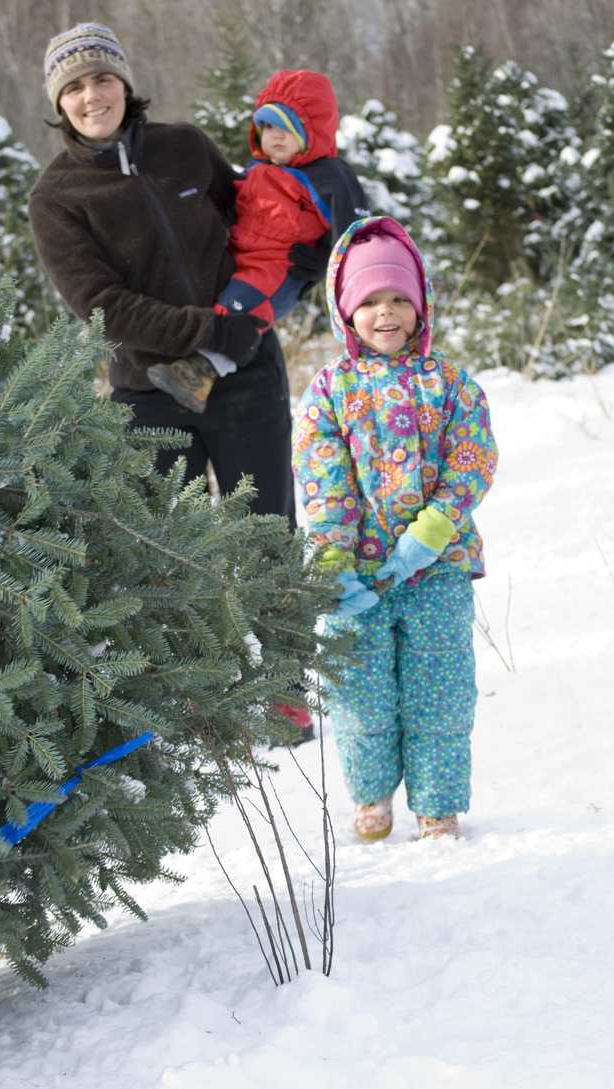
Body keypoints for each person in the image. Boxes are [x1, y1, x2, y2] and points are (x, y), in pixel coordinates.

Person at [29, 21, 312, 528]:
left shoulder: (183, 146)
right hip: (148, 393)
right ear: (58, 103)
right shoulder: (56, 197)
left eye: (102, 79)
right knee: (169, 562)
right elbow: (102, 307)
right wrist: (209, 330)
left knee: (268, 539)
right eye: (73, 87)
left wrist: (304, 254)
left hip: (245, 371)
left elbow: (253, 223)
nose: (91, 96)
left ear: (124, 83)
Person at [292, 215, 498, 840]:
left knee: (441, 691)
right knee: (360, 693)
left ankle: (438, 804)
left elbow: (472, 459)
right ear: (345, 311)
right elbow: (323, 478)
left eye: (398, 299)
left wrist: (429, 533)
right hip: (358, 576)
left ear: (420, 305)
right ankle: (372, 795)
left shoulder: (453, 384)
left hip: (438, 570)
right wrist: (332, 559)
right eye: (370, 301)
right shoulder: (330, 389)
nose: (386, 313)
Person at [148, 69, 368, 414]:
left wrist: (332, 262)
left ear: (311, 131)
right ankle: (188, 361)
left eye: (286, 128)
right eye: (266, 127)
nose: (274, 137)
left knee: (238, 312)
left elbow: (355, 230)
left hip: (277, 267)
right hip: (241, 256)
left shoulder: (328, 176)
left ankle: (200, 373)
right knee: (213, 296)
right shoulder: (257, 169)